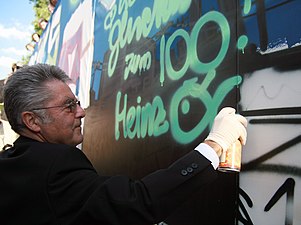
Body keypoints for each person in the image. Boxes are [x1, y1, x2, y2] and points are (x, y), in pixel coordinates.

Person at [0, 64, 247, 225]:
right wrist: (215, 144)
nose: (82, 112)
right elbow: (136, 202)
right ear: (32, 121)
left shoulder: (14, 163)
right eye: (68, 106)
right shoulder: (55, 165)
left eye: (77, 102)